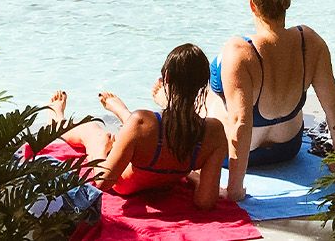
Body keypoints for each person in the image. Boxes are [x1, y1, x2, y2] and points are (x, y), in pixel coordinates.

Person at [206, 0, 335, 202]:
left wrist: (235, 190)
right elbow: (334, 109)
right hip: (287, 148)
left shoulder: (239, 50)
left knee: (211, 86)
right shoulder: (311, 42)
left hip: (237, 155)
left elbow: (240, 122)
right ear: (287, 2)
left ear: (252, 4)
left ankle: (167, 98)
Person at [45, 44, 227, 210]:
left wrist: (101, 149)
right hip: (166, 181)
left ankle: (58, 121)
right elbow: (205, 202)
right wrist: (195, 178)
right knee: (141, 127)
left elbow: (102, 182)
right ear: (204, 84)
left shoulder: (141, 122)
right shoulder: (214, 132)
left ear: (166, 78)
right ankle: (122, 112)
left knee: (96, 133)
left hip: (126, 185)